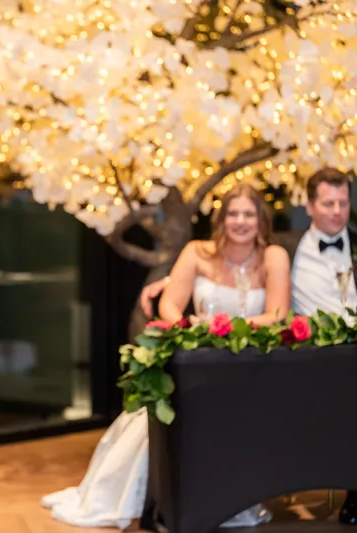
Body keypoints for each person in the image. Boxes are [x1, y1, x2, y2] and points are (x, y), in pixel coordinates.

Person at [42, 184, 290, 529]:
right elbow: (169, 304)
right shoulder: (197, 252)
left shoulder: (273, 256)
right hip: (202, 360)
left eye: (248, 214)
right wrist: (191, 329)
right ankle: (164, 498)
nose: (240, 221)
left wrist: (227, 329)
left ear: (261, 220)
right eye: (233, 213)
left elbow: (278, 314)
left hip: (251, 366)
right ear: (221, 219)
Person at [139, 167, 357, 524]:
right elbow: (195, 287)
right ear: (311, 206)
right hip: (277, 366)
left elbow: (274, 308)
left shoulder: (285, 250)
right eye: (328, 203)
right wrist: (170, 286)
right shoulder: (283, 246)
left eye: (342, 203)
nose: (336, 211)